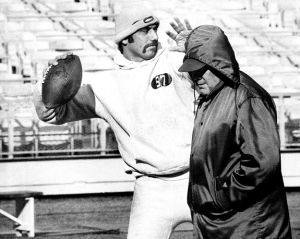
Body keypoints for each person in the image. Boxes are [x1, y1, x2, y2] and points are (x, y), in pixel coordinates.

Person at [34, 4, 195, 239]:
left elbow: (225, 78)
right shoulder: (104, 85)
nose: (153, 36)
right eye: (144, 30)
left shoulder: (177, 61)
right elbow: (51, 113)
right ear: (125, 40)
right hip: (150, 189)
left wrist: (200, 52)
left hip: (197, 179)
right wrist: (46, 85)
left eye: (154, 29)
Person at [178, 25, 292, 239]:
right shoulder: (212, 94)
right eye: (191, 71)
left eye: (201, 70)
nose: (196, 77)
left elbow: (263, 163)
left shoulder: (246, 97)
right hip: (221, 223)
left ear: (219, 63)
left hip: (248, 226)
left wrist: (221, 196)